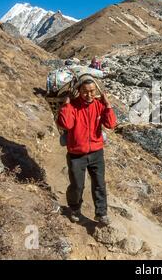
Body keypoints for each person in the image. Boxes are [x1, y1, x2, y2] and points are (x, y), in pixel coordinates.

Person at [57, 76, 117, 225]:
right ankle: (75, 209)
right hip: (76, 154)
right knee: (77, 185)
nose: (89, 95)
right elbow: (66, 124)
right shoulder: (73, 106)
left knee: (99, 184)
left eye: (92, 91)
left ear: (96, 91)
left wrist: (108, 105)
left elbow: (110, 124)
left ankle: (101, 213)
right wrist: (66, 105)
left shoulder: (99, 105)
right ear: (79, 91)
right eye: (85, 91)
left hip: (96, 152)